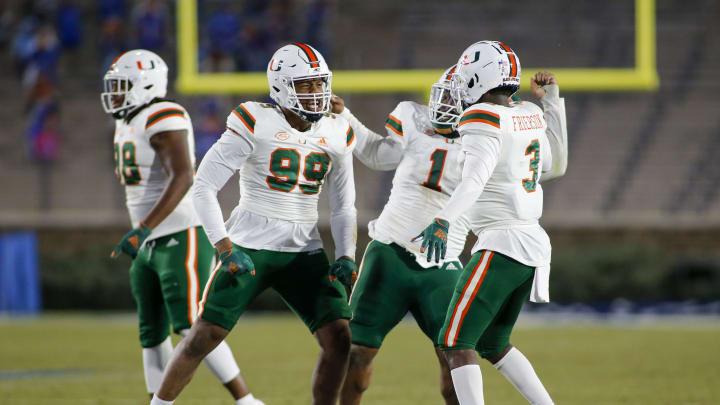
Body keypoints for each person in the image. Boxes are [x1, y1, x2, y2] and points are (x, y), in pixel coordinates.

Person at [150, 43, 358, 405]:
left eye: (320, 83)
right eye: (305, 85)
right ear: (281, 86)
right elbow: (204, 186)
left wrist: (346, 254)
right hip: (250, 247)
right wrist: (224, 246)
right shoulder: (255, 120)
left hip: (304, 252)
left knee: (340, 338)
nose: (317, 93)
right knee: (204, 336)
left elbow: (343, 204)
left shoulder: (339, 130)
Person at [102, 49, 263, 405]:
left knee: (191, 323)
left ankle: (246, 401)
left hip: (178, 233)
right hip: (148, 242)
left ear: (145, 85)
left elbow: (184, 176)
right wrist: (143, 233)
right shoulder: (126, 121)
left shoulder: (164, 114)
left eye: (122, 86)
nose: (114, 94)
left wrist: (143, 228)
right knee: (152, 333)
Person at [415, 41, 568, 405]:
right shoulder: (528, 112)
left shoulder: (481, 116)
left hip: (502, 242)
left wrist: (443, 220)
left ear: (476, 78)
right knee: (493, 343)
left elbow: (474, 179)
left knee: (453, 341)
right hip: (531, 241)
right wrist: (553, 102)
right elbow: (557, 166)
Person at [331, 66, 470, 405]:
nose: (447, 103)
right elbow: (378, 156)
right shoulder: (413, 117)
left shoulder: (488, 137)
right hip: (390, 252)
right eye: (445, 94)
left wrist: (552, 106)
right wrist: (344, 115)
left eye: (457, 97)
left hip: (443, 263)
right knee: (358, 352)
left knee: (458, 360)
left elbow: (548, 168)